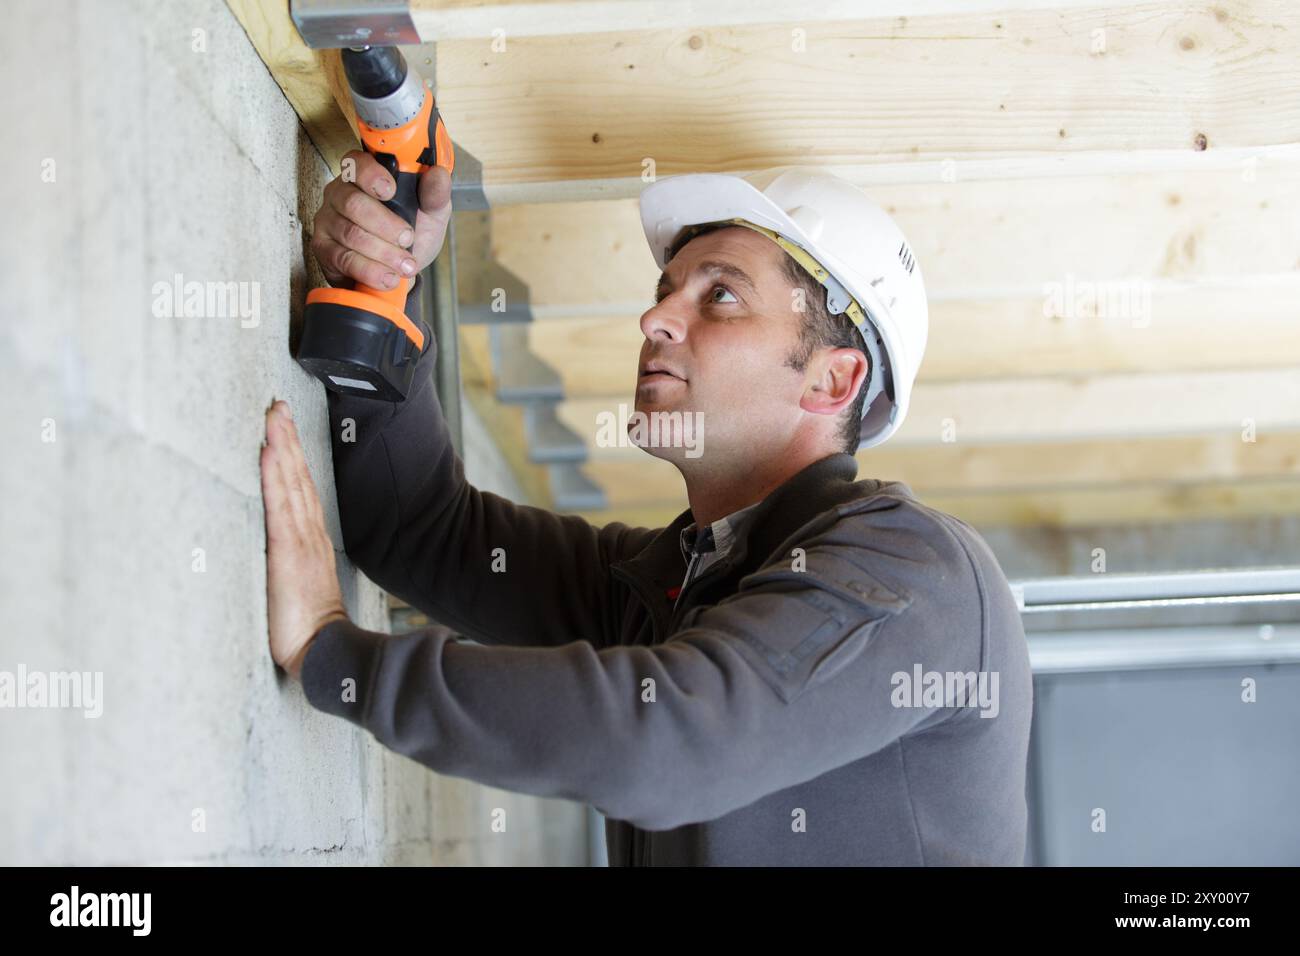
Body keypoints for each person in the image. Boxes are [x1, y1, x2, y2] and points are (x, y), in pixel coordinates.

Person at [260, 153, 1033, 865]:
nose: (654, 320)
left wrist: (339, 659)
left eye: (720, 296)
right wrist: (383, 286)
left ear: (831, 381)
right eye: (668, 291)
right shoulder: (671, 581)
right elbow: (425, 530)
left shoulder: (919, 574)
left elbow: (669, 741)